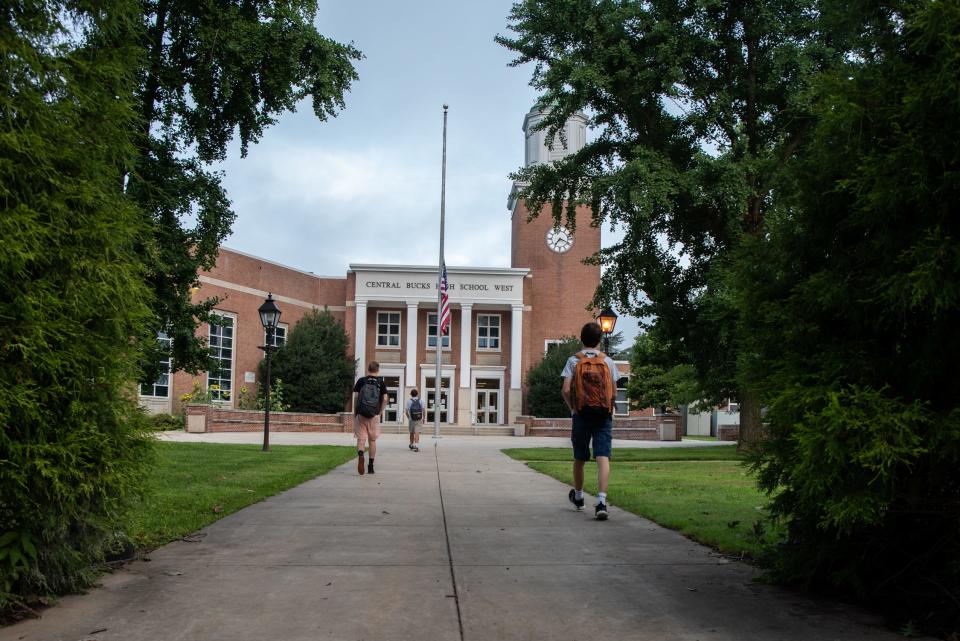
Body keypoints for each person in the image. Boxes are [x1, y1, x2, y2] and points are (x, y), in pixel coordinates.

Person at [561, 322, 620, 520]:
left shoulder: (573, 361)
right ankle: (602, 502)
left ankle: (578, 497)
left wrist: (573, 409)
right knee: (603, 456)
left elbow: (566, 390)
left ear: (581, 338)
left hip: (581, 414)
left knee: (580, 457)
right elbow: (615, 390)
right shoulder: (608, 362)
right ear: (599, 340)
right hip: (603, 415)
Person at [353, 361, 388, 475]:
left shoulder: (361, 381)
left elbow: (356, 397)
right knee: (372, 441)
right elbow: (386, 399)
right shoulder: (381, 383)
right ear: (378, 370)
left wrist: (355, 411)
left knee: (361, 439)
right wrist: (380, 412)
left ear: (368, 369)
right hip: (374, 415)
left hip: (361, 413)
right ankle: (371, 466)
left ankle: (361, 454)